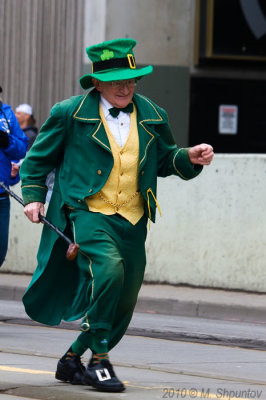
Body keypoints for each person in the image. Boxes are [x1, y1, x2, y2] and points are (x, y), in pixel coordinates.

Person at [20, 38, 214, 393]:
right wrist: (33, 197)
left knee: (125, 294)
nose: (125, 87)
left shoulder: (153, 114)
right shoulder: (69, 113)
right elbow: (37, 161)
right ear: (96, 83)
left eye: (131, 80)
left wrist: (190, 156)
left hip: (134, 217)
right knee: (108, 270)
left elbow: (166, 159)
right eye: (116, 81)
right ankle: (99, 362)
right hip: (86, 210)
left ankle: (72, 358)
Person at [0, 87, 28, 267]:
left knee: (0, 252)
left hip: (2, 195)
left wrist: (5, 140)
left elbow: (22, 147)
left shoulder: (7, 114)